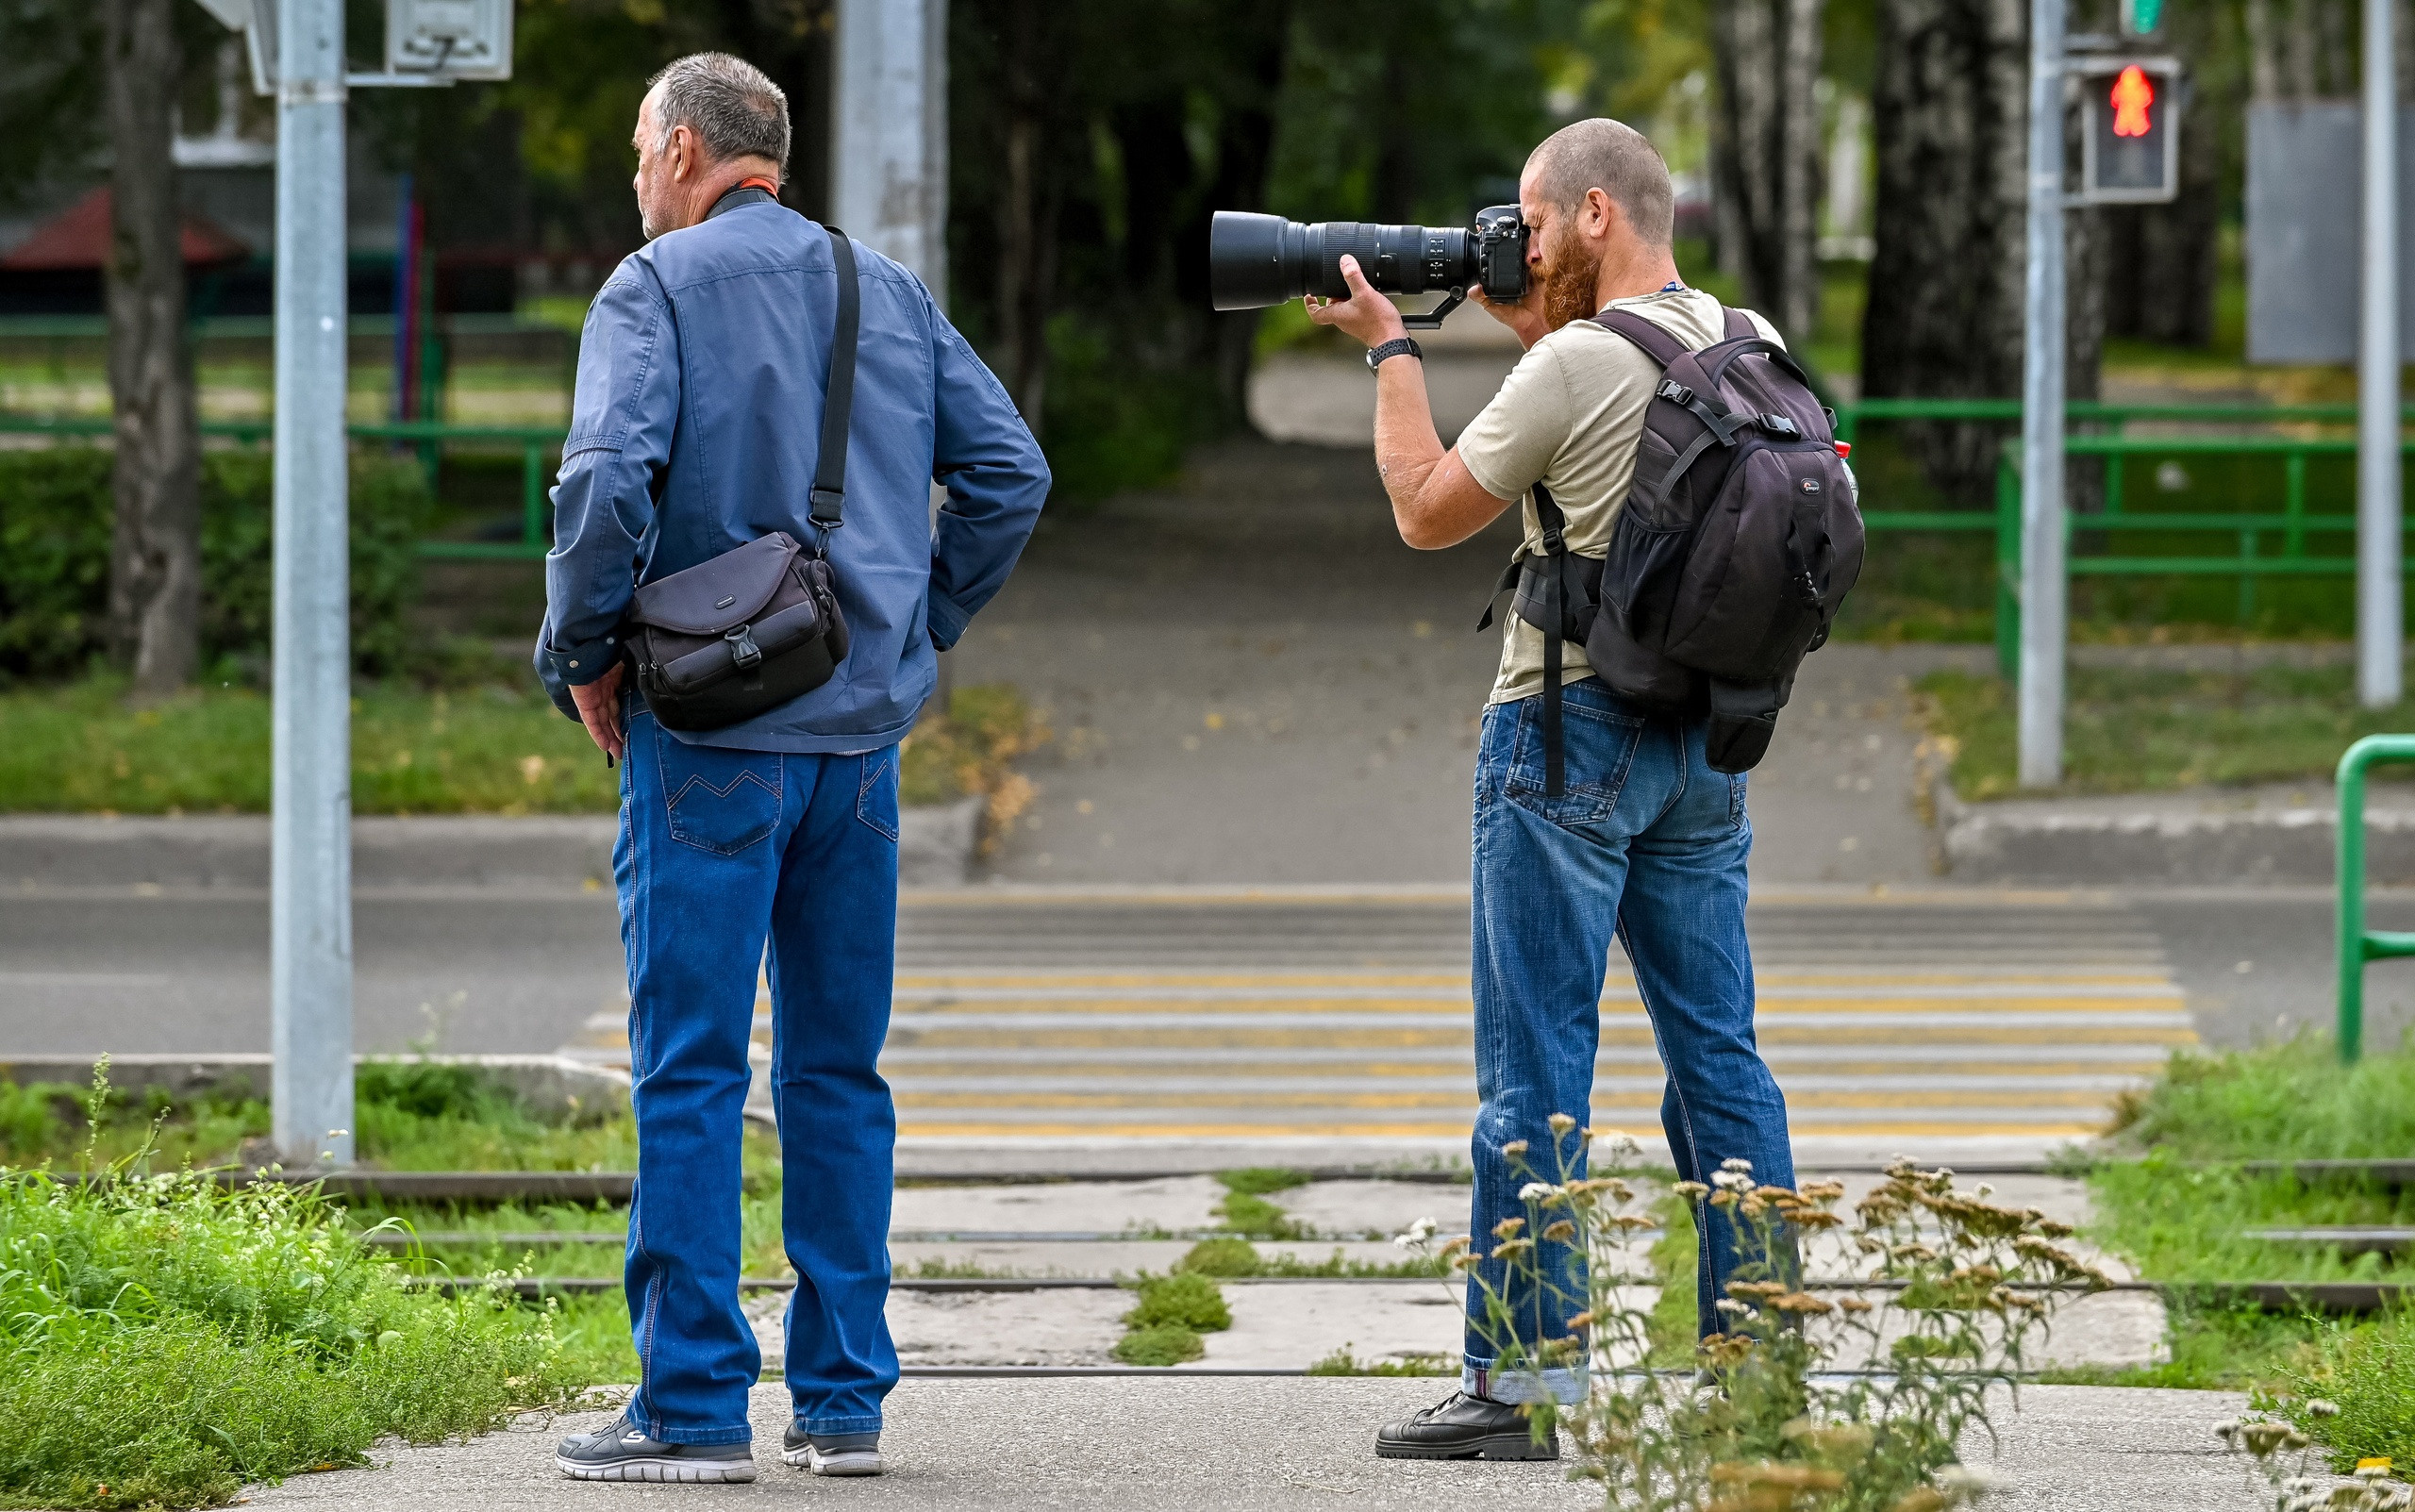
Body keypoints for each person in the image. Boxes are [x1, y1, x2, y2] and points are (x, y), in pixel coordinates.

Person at [535, 53, 1049, 1484]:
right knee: (835, 1072)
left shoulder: (652, 289)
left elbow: (603, 483)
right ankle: (843, 1403)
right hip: (859, 748)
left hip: (707, 735)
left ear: (684, 151)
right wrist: (917, 622)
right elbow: (1010, 474)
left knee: (691, 1068)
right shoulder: (880, 289)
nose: (637, 179)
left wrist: (582, 651)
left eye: (640, 150)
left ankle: (692, 1407)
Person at [1304, 119, 1797, 1459]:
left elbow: (1425, 508)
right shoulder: (1741, 338)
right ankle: (1761, 1375)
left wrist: (1392, 352)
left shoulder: (1573, 364)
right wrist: (1533, 333)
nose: (1515, 245)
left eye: (1530, 221)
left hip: (1565, 740)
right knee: (1721, 1061)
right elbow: (1621, 430)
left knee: (1537, 1071)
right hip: (1704, 747)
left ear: (1594, 214)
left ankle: (1521, 1388)